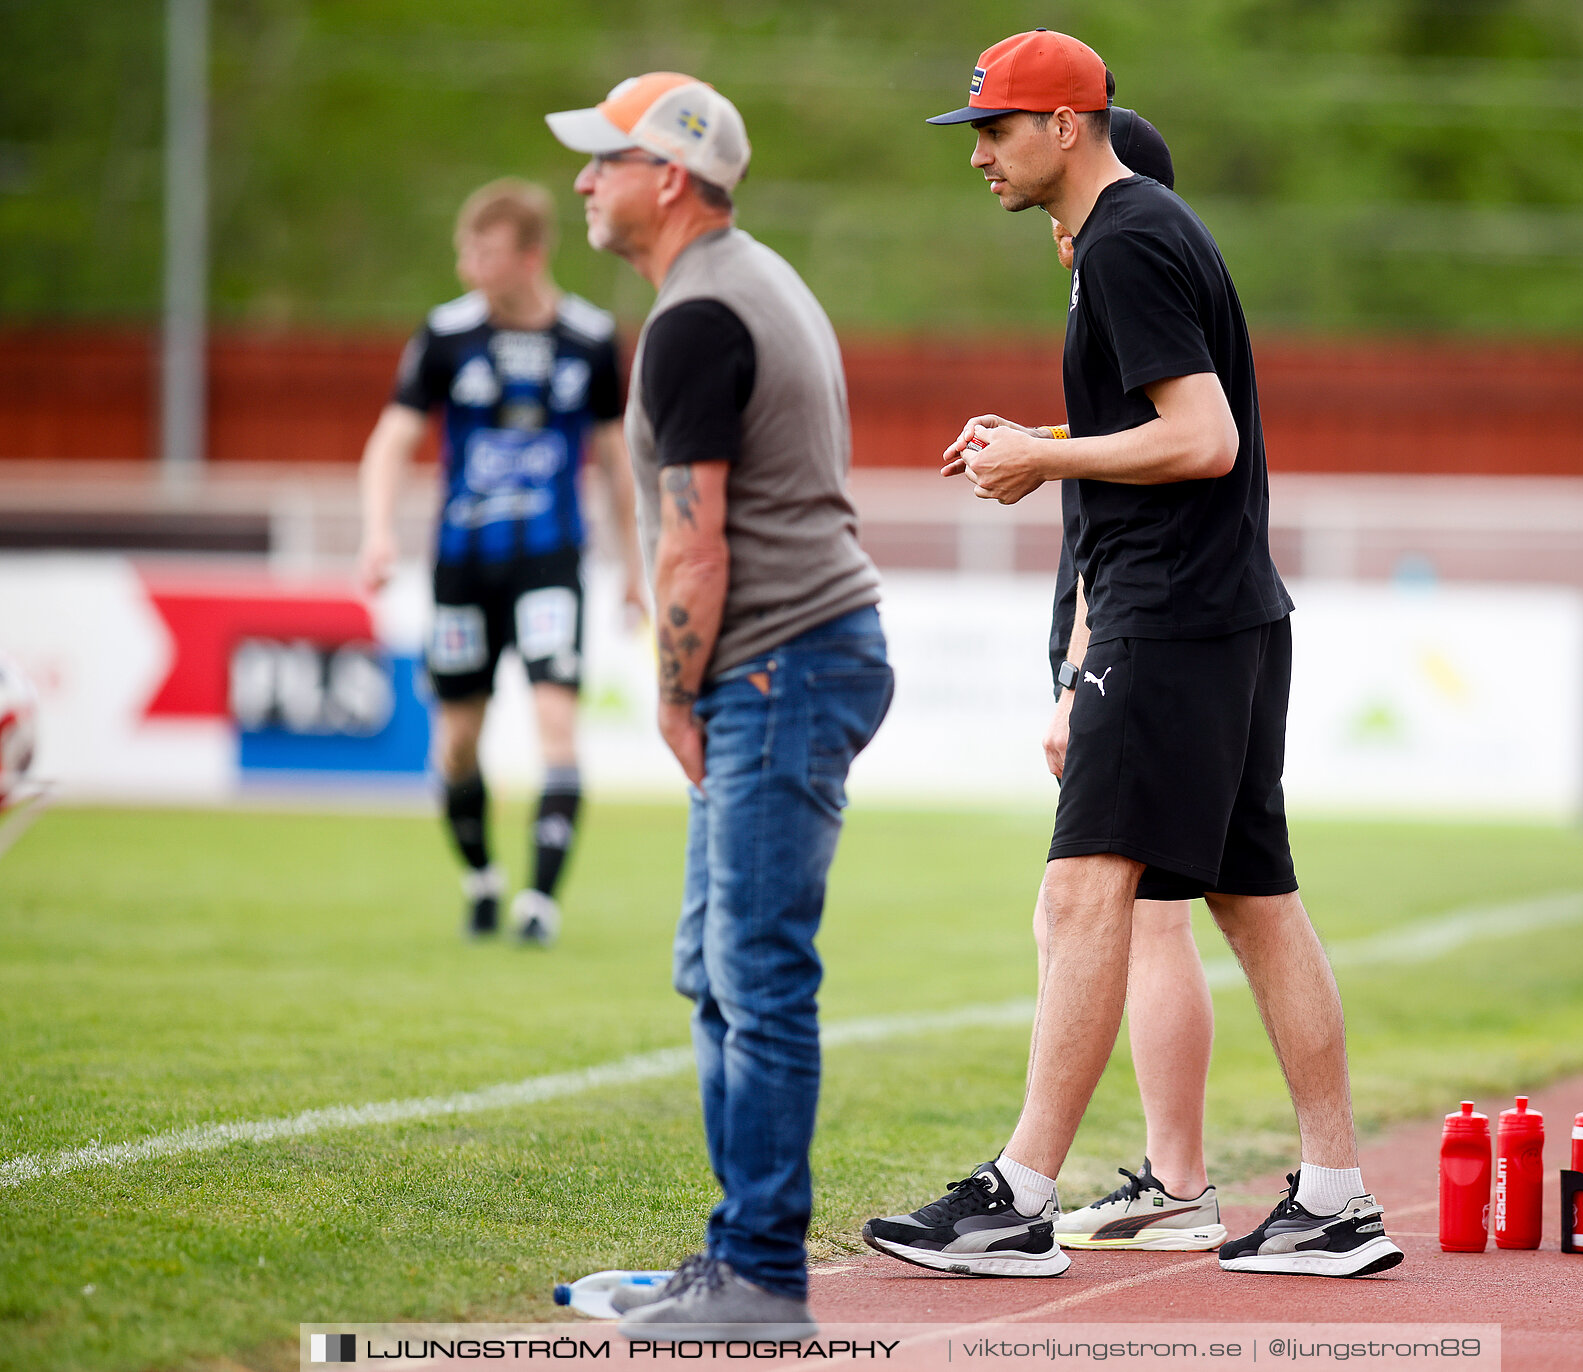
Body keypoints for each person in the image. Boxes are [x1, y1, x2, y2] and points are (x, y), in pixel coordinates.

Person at [862, 29, 1402, 1279]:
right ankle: (1336, 1198)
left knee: (1081, 894)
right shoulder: (1140, 231)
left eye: (994, 128)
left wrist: (1044, 458)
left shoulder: (1122, 240)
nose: (980, 152)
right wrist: (1041, 433)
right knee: (1257, 902)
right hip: (1225, 613)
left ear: (1066, 125)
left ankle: (1017, 1198)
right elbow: (1163, 423)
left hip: (1170, 617)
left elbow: (1201, 437)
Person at [546, 73, 892, 1335]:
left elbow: (696, 548)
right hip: (792, 656)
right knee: (718, 968)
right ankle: (733, 1260)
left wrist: (676, 692)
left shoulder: (700, 316)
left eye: (606, 161)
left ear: (671, 178)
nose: (585, 182)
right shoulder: (738, 283)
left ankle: (757, 1279)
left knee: (754, 971)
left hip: (775, 661)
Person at [1035, 107, 1225, 1254]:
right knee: (1144, 910)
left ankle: (1149, 1177)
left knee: (1120, 910)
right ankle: (1178, 1178)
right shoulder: (1131, 274)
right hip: (1149, 625)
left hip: (1146, 632)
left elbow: (1176, 470)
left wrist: (1075, 673)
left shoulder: (1126, 255)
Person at [357, 178, 641, 944]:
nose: (466, 267)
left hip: (550, 559)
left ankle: (540, 904)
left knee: (556, 724)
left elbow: (618, 463)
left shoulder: (587, 337)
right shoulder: (447, 335)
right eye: (464, 250)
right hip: (461, 563)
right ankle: (482, 878)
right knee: (455, 739)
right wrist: (378, 531)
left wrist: (635, 570)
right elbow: (391, 440)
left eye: (482, 252)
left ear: (530, 256)